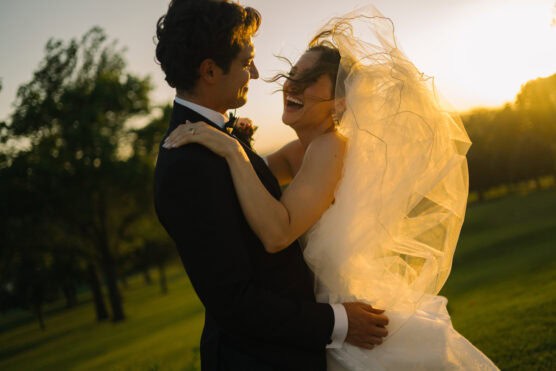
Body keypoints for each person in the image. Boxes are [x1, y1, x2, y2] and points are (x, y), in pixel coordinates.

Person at [163, 5, 500, 370]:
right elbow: (255, 184)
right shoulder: (283, 152)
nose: (283, 82)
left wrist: (232, 149)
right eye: (292, 74)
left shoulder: (330, 148)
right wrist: (235, 146)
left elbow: (277, 230)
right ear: (209, 70)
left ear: (340, 102)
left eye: (308, 81)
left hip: (337, 315)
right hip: (298, 332)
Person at [153, 1, 389, 370]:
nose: (258, 72)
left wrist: (233, 148)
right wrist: (339, 322)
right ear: (210, 70)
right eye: (247, 61)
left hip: (300, 344)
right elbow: (236, 302)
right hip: (259, 359)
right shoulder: (187, 164)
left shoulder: (219, 142)